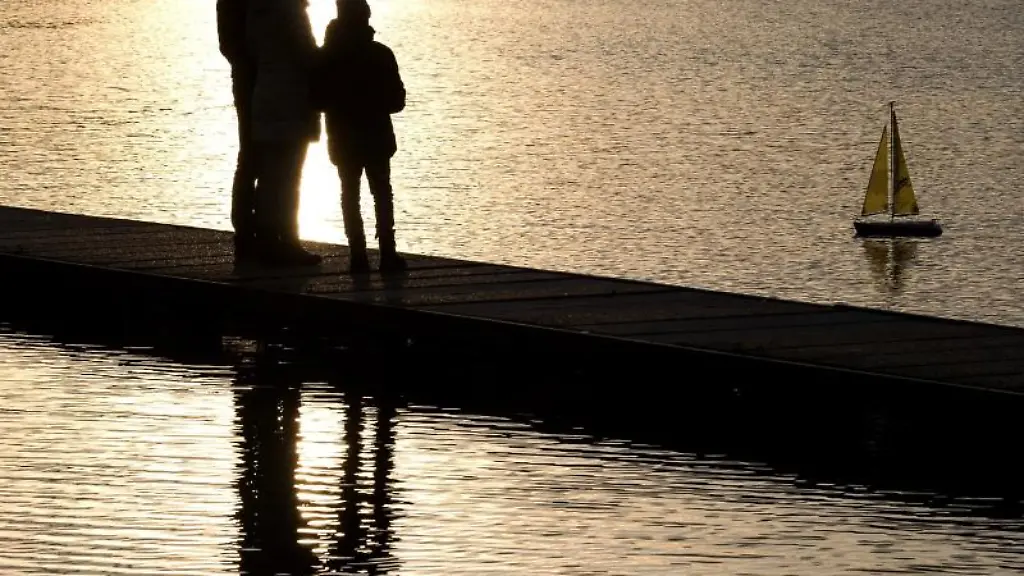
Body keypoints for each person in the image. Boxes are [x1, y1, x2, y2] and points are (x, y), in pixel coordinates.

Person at [320, 0, 407, 273]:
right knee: (381, 193)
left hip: (343, 141)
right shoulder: (381, 54)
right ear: (365, 19)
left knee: (350, 194)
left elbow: (317, 98)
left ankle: (357, 256)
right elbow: (398, 101)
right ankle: (387, 255)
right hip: (376, 139)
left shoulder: (328, 57)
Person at [245, 0, 323, 266]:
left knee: (270, 176)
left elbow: (252, 51)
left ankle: (266, 239)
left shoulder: (257, 10)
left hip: (265, 94)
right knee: (290, 175)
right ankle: (288, 241)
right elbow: (308, 54)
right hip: (291, 99)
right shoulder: (292, 11)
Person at [216, 0, 259, 259]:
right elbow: (229, 46)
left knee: (254, 158)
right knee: (251, 156)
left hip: (256, 79)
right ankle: (246, 230)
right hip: (249, 81)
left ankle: (257, 229)